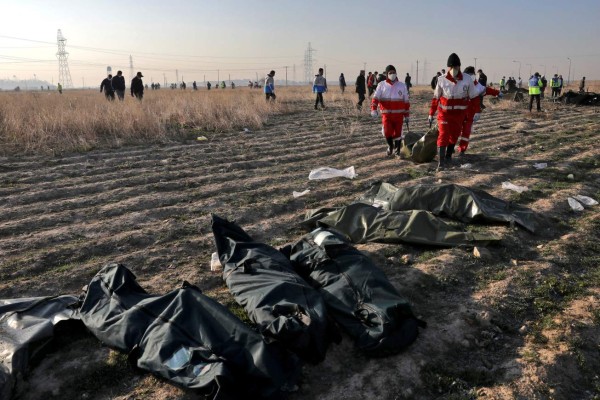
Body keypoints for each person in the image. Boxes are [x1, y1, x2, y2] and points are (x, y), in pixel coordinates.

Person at [428, 53, 479, 171]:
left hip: (459, 115)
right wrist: (431, 113)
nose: (454, 70)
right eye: (451, 67)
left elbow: (474, 97)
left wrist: (477, 111)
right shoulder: (441, 80)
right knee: (443, 135)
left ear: (459, 67)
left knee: (454, 136)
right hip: (444, 114)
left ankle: (448, 156)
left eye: (456, 67)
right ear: (448, 68)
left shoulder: (466, 79)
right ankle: (441, 163)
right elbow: (436, 99)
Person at [457, 66, 502, 156]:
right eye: (469, 74)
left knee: (466, 132)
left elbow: (485, 90)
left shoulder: (476, 84)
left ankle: (462, 150)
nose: (471, 76)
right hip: (459, 111)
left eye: (472, 74)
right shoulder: (458, 82)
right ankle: (448, 149)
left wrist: (497, 92)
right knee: (455, 130)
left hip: (470, 113)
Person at [371, 65, 410, 157]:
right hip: (386, 115)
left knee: (398, 133)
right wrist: (373, 109)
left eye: (394, 72)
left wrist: (407, 115)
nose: (392, 74)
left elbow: (406, 102)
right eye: (390, 73)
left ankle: (397, 151)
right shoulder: (382, 85)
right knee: (387, 131)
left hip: (398, 115)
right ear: (387, 74)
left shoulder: (402, 86)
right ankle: (390, 146)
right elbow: (375, 98)